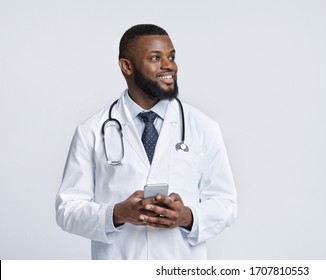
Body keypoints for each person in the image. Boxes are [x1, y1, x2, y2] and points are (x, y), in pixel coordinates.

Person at [55, 24, 237, 259]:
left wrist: (187, 217)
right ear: (126, 66)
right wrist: (117, 214)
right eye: (155, 58)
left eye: (171, 56)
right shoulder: (91, 130)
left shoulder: (203, 127)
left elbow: (226, 204)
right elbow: (66, 209)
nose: (169, 65)